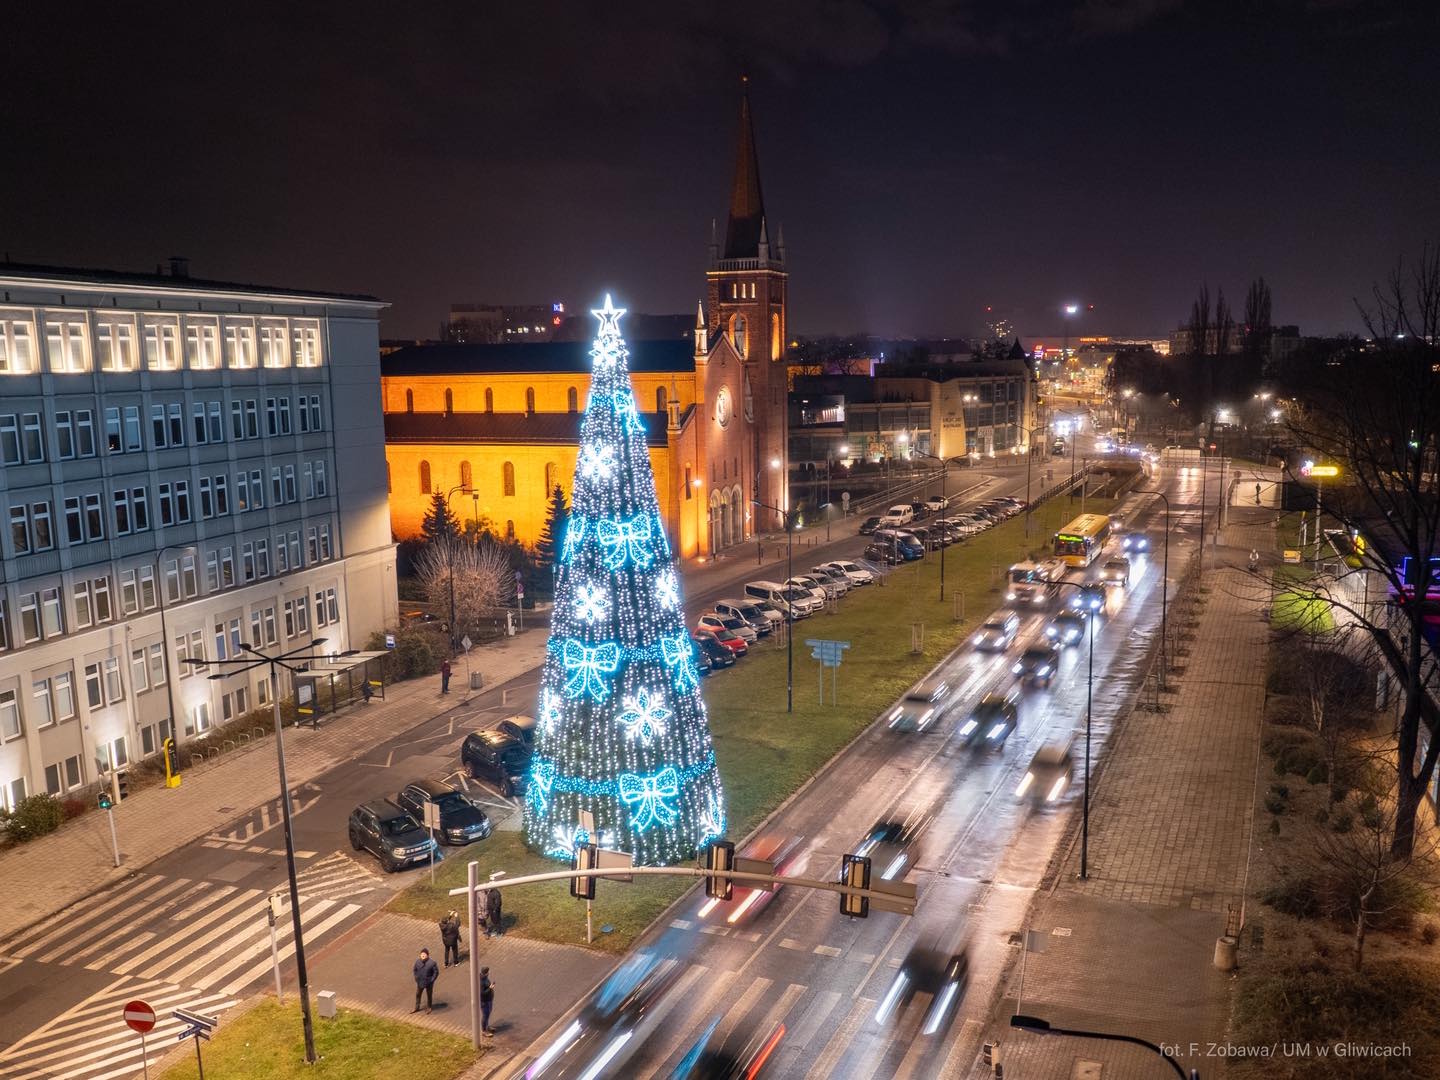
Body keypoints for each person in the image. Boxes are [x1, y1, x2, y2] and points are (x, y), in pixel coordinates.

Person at [412, 947, 439, 1013]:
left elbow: (436, 972)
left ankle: (429, 1007)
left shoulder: (432, 963)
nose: (423, 956)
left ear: (427, 955)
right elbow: (414, 970)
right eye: (422, 954)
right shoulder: (417, 961)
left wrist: (431, 980)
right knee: (418, 994)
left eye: (424, 954)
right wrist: (416, 977)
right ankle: (416, 1007)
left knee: (429, 995)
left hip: (428, 982)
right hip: (420, 982)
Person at [480, 966, 496, 1037]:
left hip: (489, 1000)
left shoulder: (485, 978)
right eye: (488, 971)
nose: (489, 972)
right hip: (485, 1001)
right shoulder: (481, 982)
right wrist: (490, 988)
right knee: (485, 1015)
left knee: (488, 1014)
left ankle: (487, 1026)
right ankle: (484, 1031)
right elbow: (482, 993)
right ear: (486, 973)